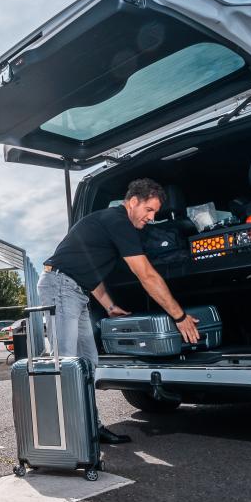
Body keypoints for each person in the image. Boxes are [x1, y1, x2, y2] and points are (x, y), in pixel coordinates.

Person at [38, 177, 200, 445]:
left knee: (88, 363)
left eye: (155, 213)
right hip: (60, 286)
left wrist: (109, 306)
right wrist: (179, 316)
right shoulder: (119, 222)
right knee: (67, 363)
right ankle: (66, 437)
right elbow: (146, 275)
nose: (151, 217)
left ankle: (90, 426)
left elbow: (89, 270)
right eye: (149, 210)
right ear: (133, 202)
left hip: (74, 290)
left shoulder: (111, 223)